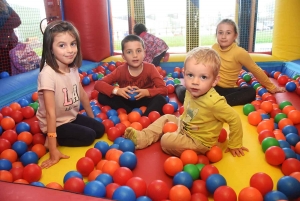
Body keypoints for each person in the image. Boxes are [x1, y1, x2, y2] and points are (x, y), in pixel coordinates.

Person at [125, 47, 249, 157]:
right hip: (185, 126)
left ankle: (173, 137)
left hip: (199, 141)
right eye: (190, 75)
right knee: (167, 117)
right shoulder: (191, 91)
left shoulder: (215, 103)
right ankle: (142, 138)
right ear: (184, 74)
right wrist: (179, 127)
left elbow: (234, 118)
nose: (195, 81)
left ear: (215, 81)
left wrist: (235, 144)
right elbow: (192, 111)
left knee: (166, 140)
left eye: (203, 77)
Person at [36, 20, 105, 169]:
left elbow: (83, 95)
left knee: (99, 129)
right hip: (56, 123)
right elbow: (50, 113)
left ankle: (62, 136)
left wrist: (92, 120)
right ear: (51, 48)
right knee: (89, 136)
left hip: (70, 117)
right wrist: (53, 149)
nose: (70, 50)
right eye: (62, 45)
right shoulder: (48, 74)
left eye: (73, 44)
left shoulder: (72, 68)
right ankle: (53, 141)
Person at [175, 19, 286, 106]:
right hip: (210, 86)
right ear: (216, 34)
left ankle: (214, 103)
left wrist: (271, 87)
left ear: (235, 35)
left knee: (251, 92)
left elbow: (255, 69)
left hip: (226, 91)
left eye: (228, 33)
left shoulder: (239, 52)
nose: (223, 36)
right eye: (220, 33)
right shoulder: (214, 48)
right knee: (185, 94)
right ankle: (179, 88)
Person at [94, 34, 168, 116]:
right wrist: (117, 91)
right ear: (123, 56)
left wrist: (147, 92)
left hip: (144, 100)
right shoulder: (120, 70)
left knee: (161, 99)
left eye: (138, 51)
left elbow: (164, 90)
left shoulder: (150, 68)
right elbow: (98, 84)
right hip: (125, 101)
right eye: (129, 52)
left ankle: (145, 117)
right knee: (102, 96)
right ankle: (130, 113)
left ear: (144, 53)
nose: (135, 55)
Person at [0, 0, 21, 75]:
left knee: (10, 68)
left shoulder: (7, 9)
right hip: (3, 45)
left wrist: (4, 27)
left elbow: (17, 21)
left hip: (9, 44)